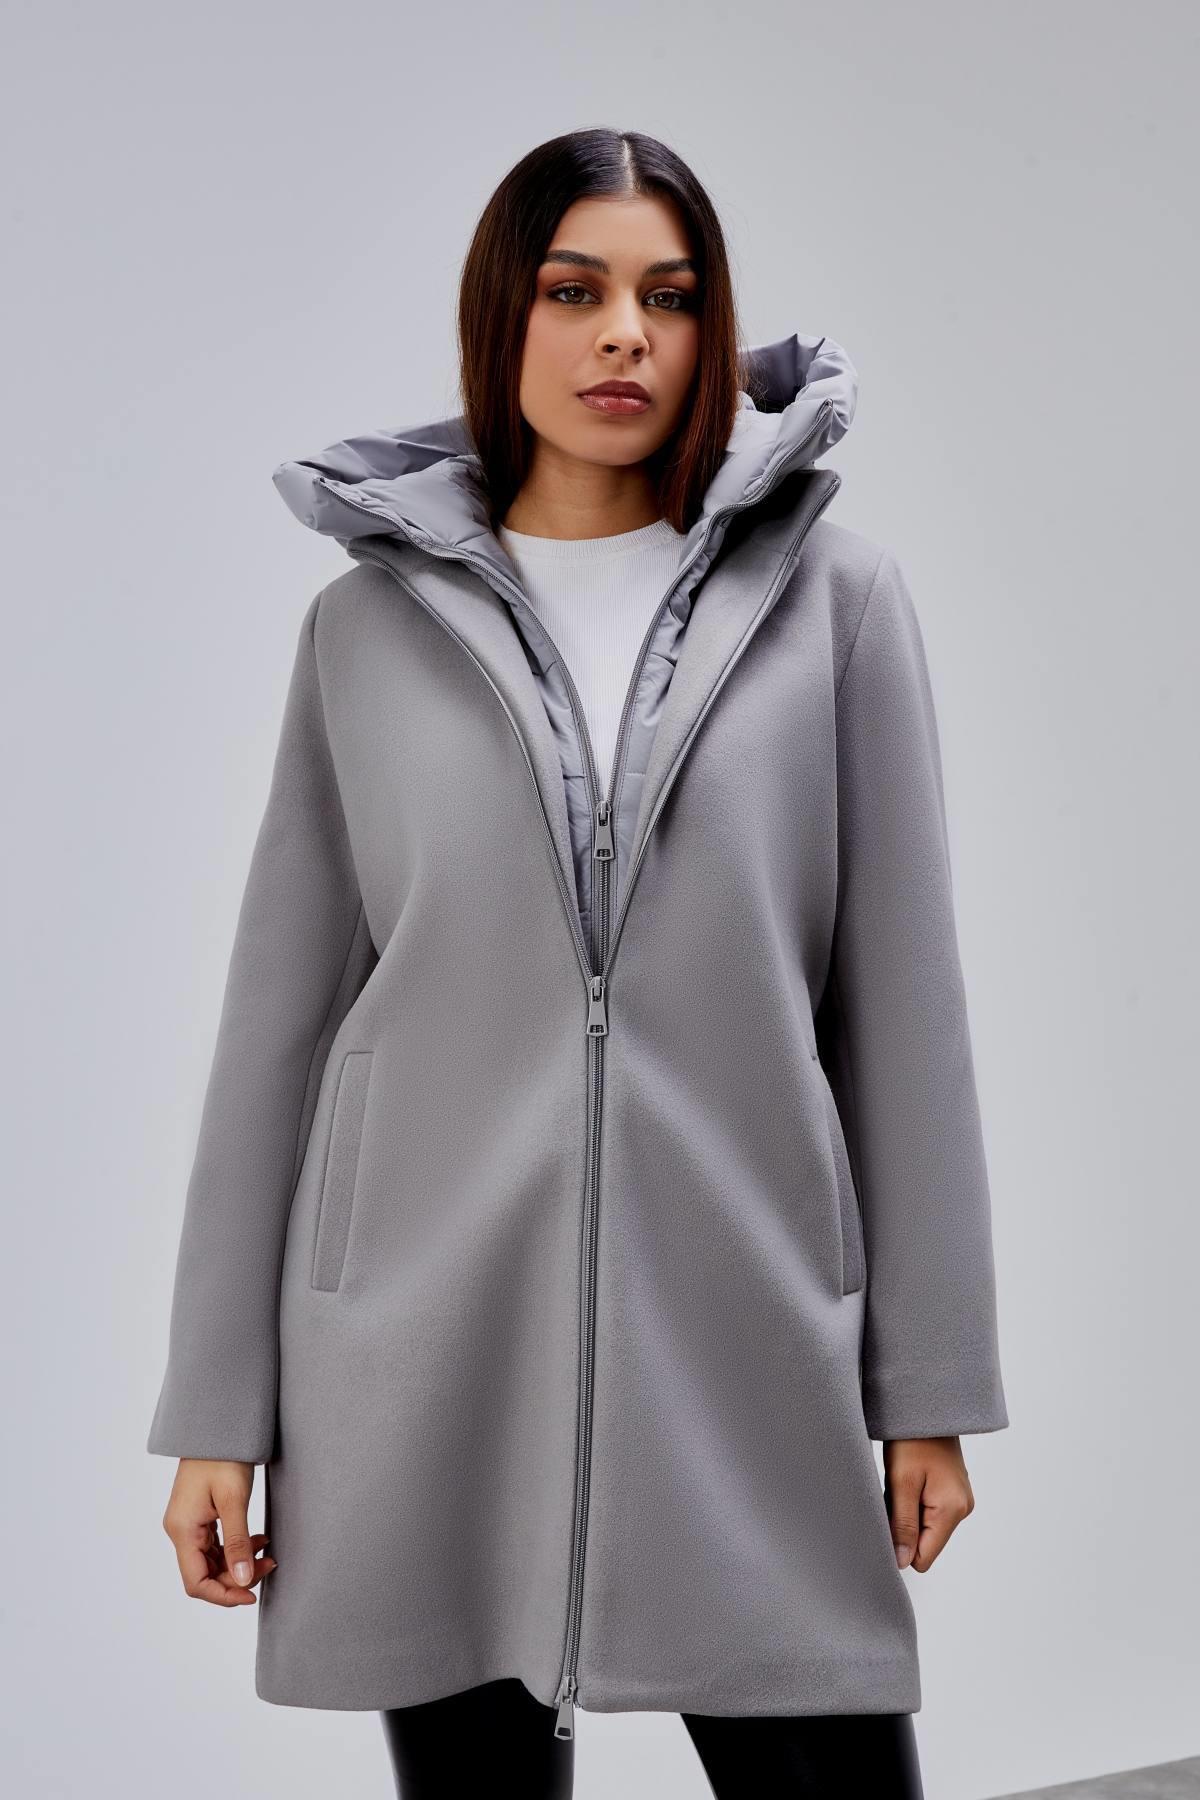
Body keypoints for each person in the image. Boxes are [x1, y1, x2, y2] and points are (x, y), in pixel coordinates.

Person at [148, 127, 1008, 1799]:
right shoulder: (365, 630)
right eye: (575, 290)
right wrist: (214, 1420)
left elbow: (906, 1018)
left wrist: (931, 1386)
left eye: (669, 298)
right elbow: (280, 1036)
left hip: (745, 1336)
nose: (625, 333)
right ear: (505, 314)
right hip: (420, 1358)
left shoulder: (834, 605)